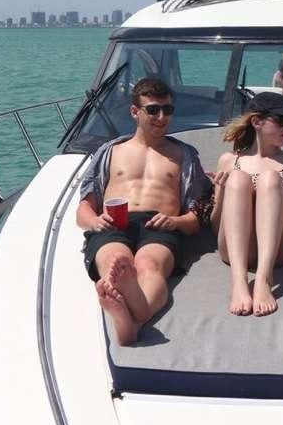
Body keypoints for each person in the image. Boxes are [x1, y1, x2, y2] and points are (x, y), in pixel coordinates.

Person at [76, 78, 214, 345]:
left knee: (148, 266)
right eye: (153, 110)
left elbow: (199, 215)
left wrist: (175, 221)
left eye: (168, 110)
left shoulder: (183, 155)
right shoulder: (109, 152)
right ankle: (137, 315)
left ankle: (129, 315)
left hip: (160, 226)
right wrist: (94, 221)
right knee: (117, 261)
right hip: (114, 224)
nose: (161, 117)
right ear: (134, 112)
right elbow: (84, 207)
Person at [211, 92, 283, 316]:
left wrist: (278, 207)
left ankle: (263, 279)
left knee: (270, 179)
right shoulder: (229, 161)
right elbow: (215, 227)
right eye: (281, 120)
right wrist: (222, 193)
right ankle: (239, 281)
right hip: (238, 251)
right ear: (256, 122)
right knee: (238, 178)